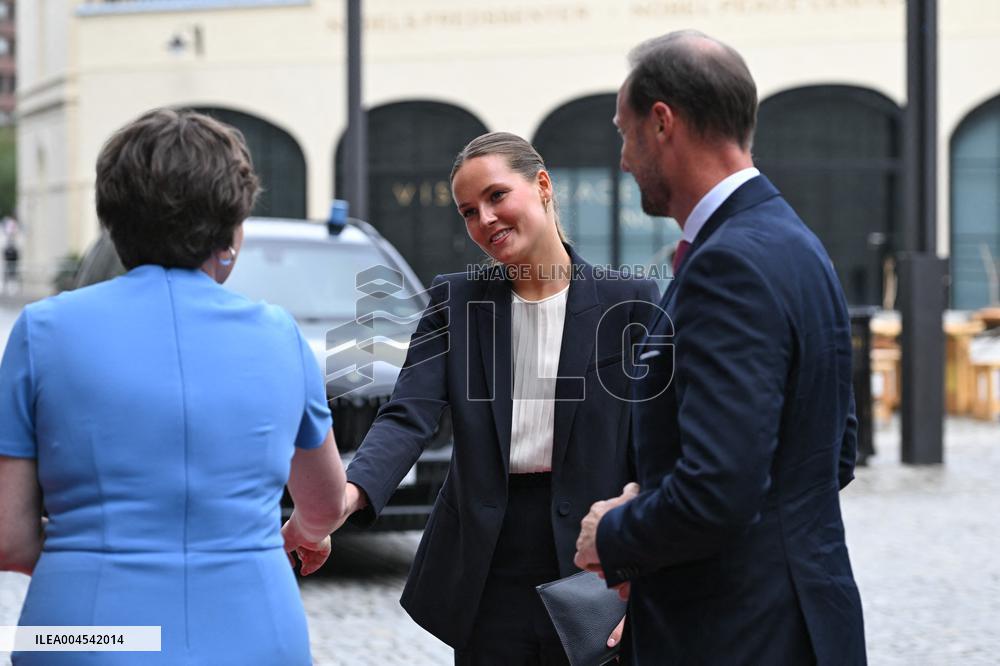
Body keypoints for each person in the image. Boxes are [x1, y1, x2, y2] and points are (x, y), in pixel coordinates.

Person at [0, 109, 347, 665]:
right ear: (230, 229)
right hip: (254, 631)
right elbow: (325, 504)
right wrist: (301, 531)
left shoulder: (43, 331)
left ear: (114, 221)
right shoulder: (279, 335)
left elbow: (10, 540)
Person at [573, 31, 866, 665]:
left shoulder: (727, 263)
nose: (623, 160)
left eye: (624, 133)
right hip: (796, 624)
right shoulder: (794, 241)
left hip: (736, 636)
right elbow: (831, 453)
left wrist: (613, 533)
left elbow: (719, 492)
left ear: (662, 123)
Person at [335, 132, 660, 664]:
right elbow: (408, 415)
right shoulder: (455, 302)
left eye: (496, 196)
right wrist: (349, 494)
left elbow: (657, 444)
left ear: (543, 185)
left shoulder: (630, 302)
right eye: (468, 211)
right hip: (486, 563)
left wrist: (644, 579)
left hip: (597, 556)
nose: (484, 219)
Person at [2, 213, 19, 293]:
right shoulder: (6, 229)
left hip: (13, 251)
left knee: (13, 268)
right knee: (6, 267)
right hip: (7, 250)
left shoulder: (15, 229)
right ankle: (5, 285)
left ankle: (12, 286)